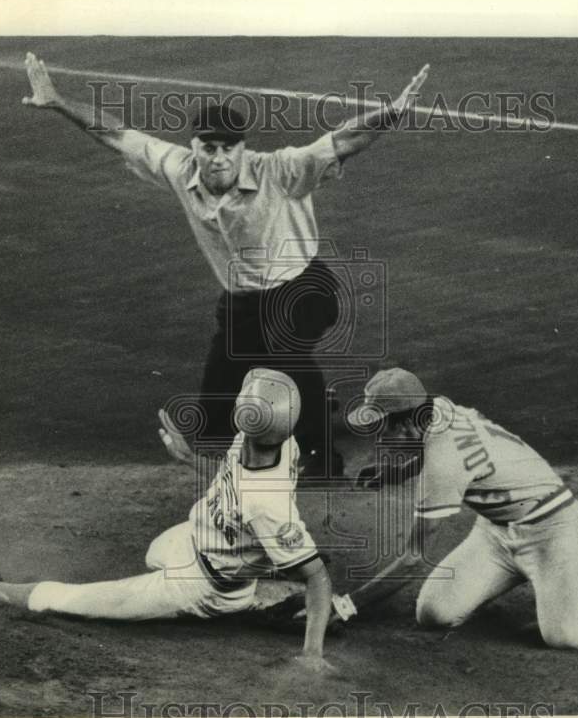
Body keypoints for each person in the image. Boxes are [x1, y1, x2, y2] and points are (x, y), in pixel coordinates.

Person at [21, 52, 429, 477]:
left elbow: (342, 140)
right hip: (242, 300)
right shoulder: (179, 169)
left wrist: (392, 113)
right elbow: (117, 135)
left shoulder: (280, 171)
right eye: (208, 147)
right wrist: (58, 102)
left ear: (241, 149)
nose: (217, 158)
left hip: (303, 290)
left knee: (284, 357)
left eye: (227, 148)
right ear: (194, 147)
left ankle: (322, 458)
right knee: (220, 380)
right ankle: (217, 453)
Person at [0, 369, 338, 673]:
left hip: (200, 588)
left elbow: (317, 575)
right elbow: (236, 482)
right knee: (155, 551)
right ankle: (259, 587)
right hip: (195, 540)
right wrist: (190, 457)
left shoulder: (268, 504)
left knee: (69, 601)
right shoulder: (269, 439)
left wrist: (312, 656)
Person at [288, 367, 578, 648]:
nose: (379, 433)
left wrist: (347, 606)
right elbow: (451, 456)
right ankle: (543, 587)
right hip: (496, 533)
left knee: (567, 637)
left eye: (384, 424)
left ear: (409, 420)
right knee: (434, 614)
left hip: (552, 530)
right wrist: (396, 473)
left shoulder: (443, 463)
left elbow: (412, 560)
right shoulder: (436, 409)